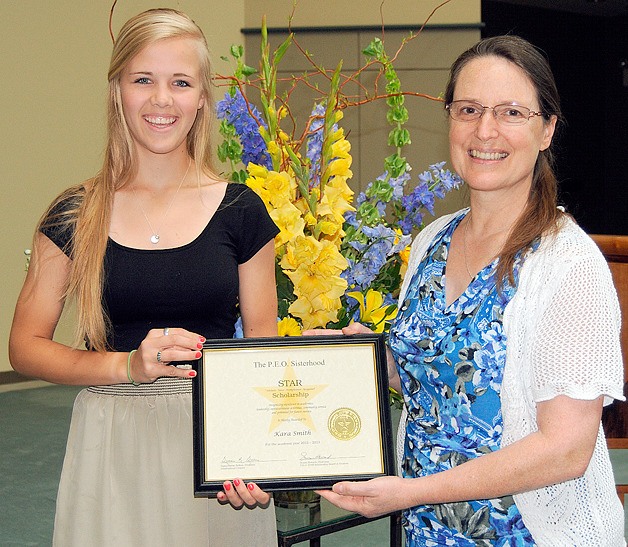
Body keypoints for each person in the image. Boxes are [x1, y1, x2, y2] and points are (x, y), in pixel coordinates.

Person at [311, 35, 626, 545]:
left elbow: (566, 450)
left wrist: (415, 491)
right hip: (425, 533)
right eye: (469, 109)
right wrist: (364, 359)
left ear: (546, 129)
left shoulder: (569, 264)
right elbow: (443, 384)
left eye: (511, 113)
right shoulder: (432, 239)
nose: (485, 130)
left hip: (527, 536)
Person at [9, 8, 277, 546]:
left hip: (216, 455)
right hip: (111, 451)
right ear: (117, 92)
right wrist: (125, 365)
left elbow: (263, 358)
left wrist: (264, 465)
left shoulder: (242, 212)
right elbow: (25, 347)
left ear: (202, 97)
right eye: (142, 80)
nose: (161, 99)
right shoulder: (72, 215)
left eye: (180, 82)